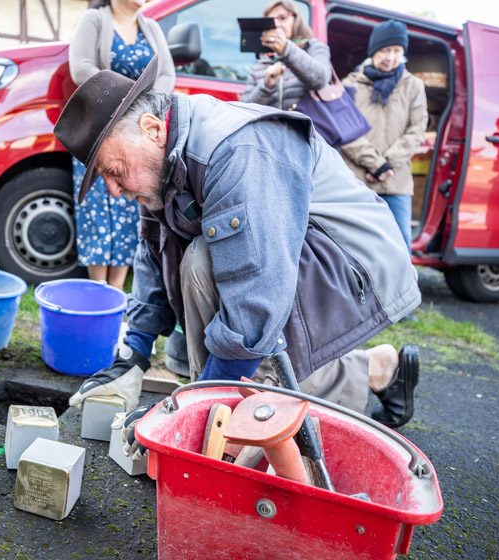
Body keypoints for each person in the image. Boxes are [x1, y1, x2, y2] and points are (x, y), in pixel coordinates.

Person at [53, 56, 421, 434]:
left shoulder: (234, 151)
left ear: (151, 129)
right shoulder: (162, 163)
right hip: (298, 256)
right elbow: (153, 252)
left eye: (113, 172)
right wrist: (132, 356)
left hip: (356, 265)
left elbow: (254, 309)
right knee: (252, 357)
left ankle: (218, 424)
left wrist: (189, 411)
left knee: (218, 293)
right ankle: (377, 370)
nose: (113, 190)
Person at [68, 0, 175, 290]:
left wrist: (143, 103)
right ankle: (97, 289)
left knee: (129, 206)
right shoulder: (94, 20)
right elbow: (81, 68)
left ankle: (115, 292)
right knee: (97, 211)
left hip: (135, 133)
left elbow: (167, 75)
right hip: (101, 132)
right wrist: (124, 95)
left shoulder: (151, 26)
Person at [341, 20, 428, 248]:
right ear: (373, 51)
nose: (391, 57)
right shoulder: (350, 85)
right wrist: (374, 164)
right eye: (385, 50)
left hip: (395, 182)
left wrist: (386, 164)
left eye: (397, 51)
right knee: (352, 246)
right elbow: (342, 129)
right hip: (356, 181)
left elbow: (417, 128)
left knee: (399, 248)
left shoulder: (413, 86)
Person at [240, 0, 331, 110]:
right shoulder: (261, 62)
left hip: (305, 125)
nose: (277, 24)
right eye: (272, 21)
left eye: (282, 18)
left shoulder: (313, 47)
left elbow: (320, 79)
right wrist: (266, 86)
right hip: (272, 126)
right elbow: (245, 107)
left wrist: (286, 50)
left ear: (296, 19)